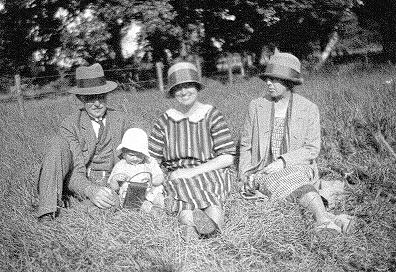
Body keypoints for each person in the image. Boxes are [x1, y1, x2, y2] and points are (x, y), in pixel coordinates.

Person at [239, 52, 354, 235]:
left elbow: (311, 148)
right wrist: (244, 174)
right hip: (264, 170)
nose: (268, 83)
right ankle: (331, 219)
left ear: (289, 83)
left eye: (275, 79)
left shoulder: (308, 108)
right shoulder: (256, 106)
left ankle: (323, 220)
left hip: (298, 167)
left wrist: (283, 162)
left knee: (292, 175)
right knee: (277, 180)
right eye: (267, 78)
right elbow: (246, 145)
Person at [149, 61, 236, 239]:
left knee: (211, 199)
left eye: (188, 85)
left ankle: (213, 228)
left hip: (210, 170)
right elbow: (152, 158)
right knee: (183, 201)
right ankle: (189, 229)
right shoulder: (165, 121)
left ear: (196, 87)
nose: (183, 92)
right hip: (178, 174)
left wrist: (192, 172)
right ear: (172, 92)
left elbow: (227, 157)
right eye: (178, 88)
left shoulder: (211, 114)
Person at [37, 63, 129, 221]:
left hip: (112, 180)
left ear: (107, 95)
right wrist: (90, 190)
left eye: (100, 96)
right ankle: (47, 211)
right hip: (83, 180)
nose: (97, 103)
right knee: (57, 143)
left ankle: (75, 208)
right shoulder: (71, 124)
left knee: (111, 206)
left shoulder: (120, 119)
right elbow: (75, 172)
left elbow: (132, 157)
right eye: (90, 98)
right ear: (81, 98)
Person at [108, 128, 165, 212]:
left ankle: (163, 203)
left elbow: (160, 176)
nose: (135, 158)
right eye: (131, 155)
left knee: (158, 193)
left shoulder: (149, 162)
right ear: (123, 153)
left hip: (149, 190)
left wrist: (154, 181)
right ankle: (151, 209)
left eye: (139, 156)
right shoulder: (121, 166)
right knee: (139, 203)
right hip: (132, 194)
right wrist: (115, 179)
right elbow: (113, 188)